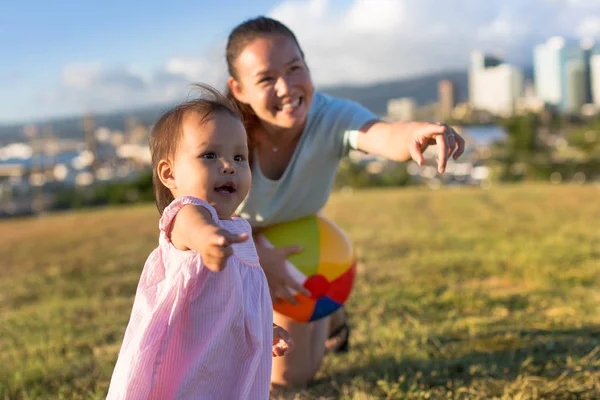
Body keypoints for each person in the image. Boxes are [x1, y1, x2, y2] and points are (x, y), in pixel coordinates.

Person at [224, 16, 466, 387]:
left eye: (294, 68)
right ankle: (331, 313)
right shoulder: (224, 134)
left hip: (304, 249)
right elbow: (194, 215)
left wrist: (416, 132)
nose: (287, 87)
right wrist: (254, 257)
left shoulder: (331, 115)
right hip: (233, 253)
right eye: (266, 79)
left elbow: (381, 134)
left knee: (289, 379)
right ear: (238, 89)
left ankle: (329, 308)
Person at [106, 84, 293, 400]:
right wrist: (209, 240)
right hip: (187, 365)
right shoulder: (186, 214)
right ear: (170, 175)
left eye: (239, 156)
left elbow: (240, 296)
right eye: (210, 155)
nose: (228, 165)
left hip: (228, 363)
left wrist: (265, 327)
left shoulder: (237, 227)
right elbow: (195, 226)